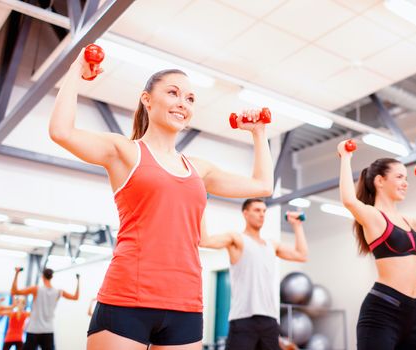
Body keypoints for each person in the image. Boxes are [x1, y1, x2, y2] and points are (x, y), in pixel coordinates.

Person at [49, 48, 273, 350]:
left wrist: (259, 134)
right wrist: (76, 70)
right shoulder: (125, 152)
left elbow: (262, 185)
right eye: (173, 93)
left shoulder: (198, 168)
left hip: (186, 305)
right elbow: (61, 132)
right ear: (147, 99)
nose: (183, 103)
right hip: (127, 299)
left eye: (190, 98)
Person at [337, 139, 416, 350]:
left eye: (406, 178)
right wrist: (346, 157)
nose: (405, 182)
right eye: (399, 177)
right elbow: (349, 200)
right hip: (383, 312)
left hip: (412, 314)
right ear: (380, 181)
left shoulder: (408, 221)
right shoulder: (374, 217)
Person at [200, 199, 308, 350]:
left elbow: (301, 255)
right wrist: (200, 203)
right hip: (243, 320)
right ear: (245, 213)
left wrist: (297, 226)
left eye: (264, 211)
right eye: (257, 210)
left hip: (270, 322)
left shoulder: (272, 245)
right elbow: (204, 241)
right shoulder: (236, 239)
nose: (262, 215)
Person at [11, 267, 80, 350]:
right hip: (48, 330)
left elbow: (14, 291)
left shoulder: (36, 289)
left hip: (34, 330)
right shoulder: (58, 291)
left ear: (42, 277)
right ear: (52, 277)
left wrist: (17, 273)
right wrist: (78, 280)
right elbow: (75, 297)